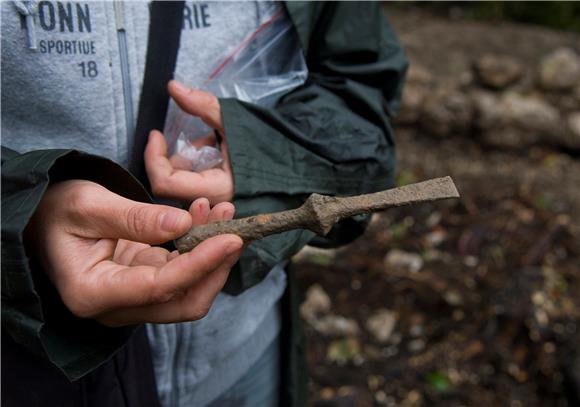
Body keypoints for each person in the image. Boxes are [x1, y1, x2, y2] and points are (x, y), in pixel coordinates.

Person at [1, 1, 407, 406]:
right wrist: (27, 217)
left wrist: (258, 158)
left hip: (247, 353)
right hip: (38, 372)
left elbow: (361, 87)